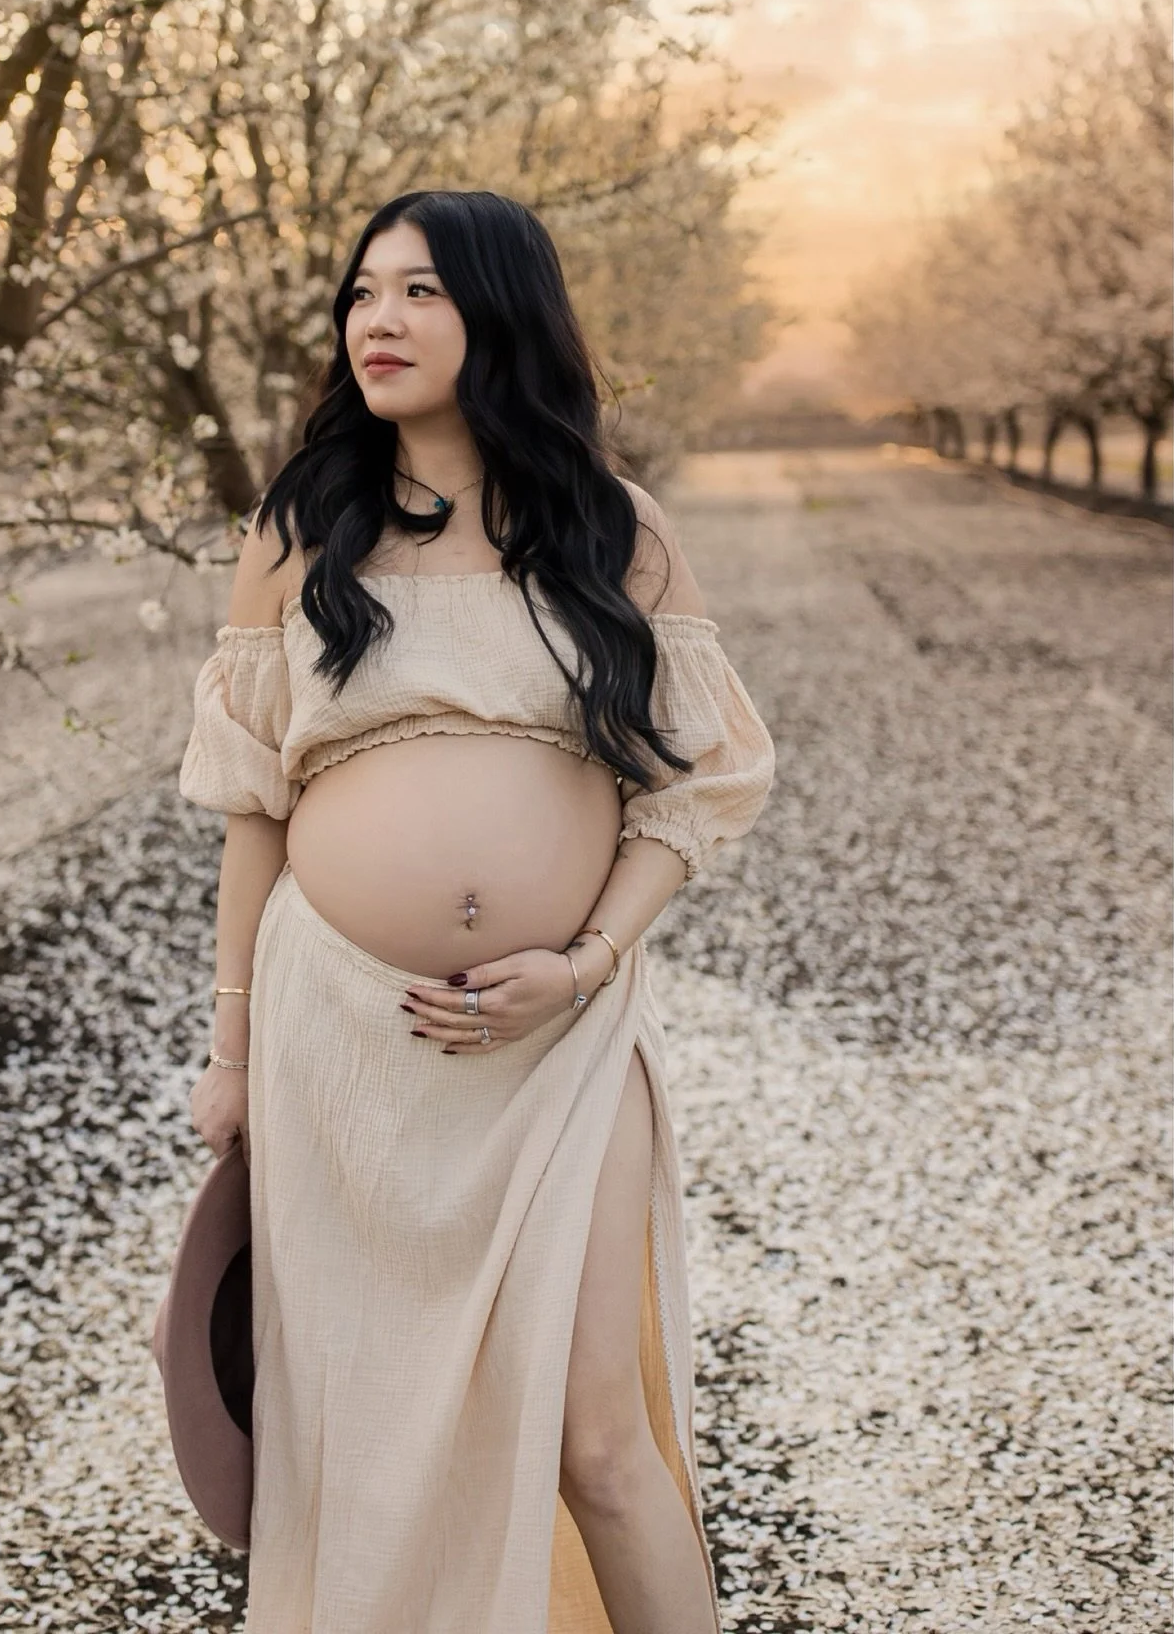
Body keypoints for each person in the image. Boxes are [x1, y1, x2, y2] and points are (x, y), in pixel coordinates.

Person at [179, 189, 774, 1634]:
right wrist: (234, 1048)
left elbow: (694, 790)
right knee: (362, 1448)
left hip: (557, 1043)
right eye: (361, 293)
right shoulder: (301, 526)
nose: (377, 320)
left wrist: (582, 963)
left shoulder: (608, 528)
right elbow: (255, 805)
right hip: (347, 1044)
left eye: (420, 292)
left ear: (499, 312)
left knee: (600, 1444)